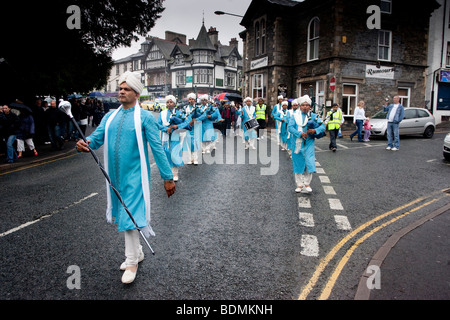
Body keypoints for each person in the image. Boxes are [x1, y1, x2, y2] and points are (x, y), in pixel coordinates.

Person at [76, 71, 176, 284]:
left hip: (135, 176)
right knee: (124, 213)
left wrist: (168, 177)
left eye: (126, 89)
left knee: (129, 215)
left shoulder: (146, 117)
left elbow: (157, 149)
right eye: (120, 88)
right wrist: (86, 144)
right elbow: (96, 137)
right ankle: (137, 251)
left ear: (136, 93)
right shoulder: (110, 116)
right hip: (114, 177)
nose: (121, 91)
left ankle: (131, 261)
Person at [288, 95, 325, 193]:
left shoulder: (313, 116)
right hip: (297, 142)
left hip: (309, 142)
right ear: (300, 106)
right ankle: (299, 185)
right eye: (303, 105)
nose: (305, 107)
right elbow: (290, 128)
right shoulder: (294, 116)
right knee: (298, 163)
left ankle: (307, 184)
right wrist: (299, 133)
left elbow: (323, 126)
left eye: (307, 105)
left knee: (309, 162)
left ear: (309, 106)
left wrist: (315, 130)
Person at [157, 95, 189, 181]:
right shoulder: (162, 113)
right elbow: (158, 124)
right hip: (165, 137)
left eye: (171, 102)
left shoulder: (179, 113)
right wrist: (166, 129)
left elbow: (186, 123)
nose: (169, 104)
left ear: (174, 104)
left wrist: (177, 126)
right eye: (167, 102)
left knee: (175, 154)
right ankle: (168, 173)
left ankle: (175, 173)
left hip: (176, 136)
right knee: (166, 154)